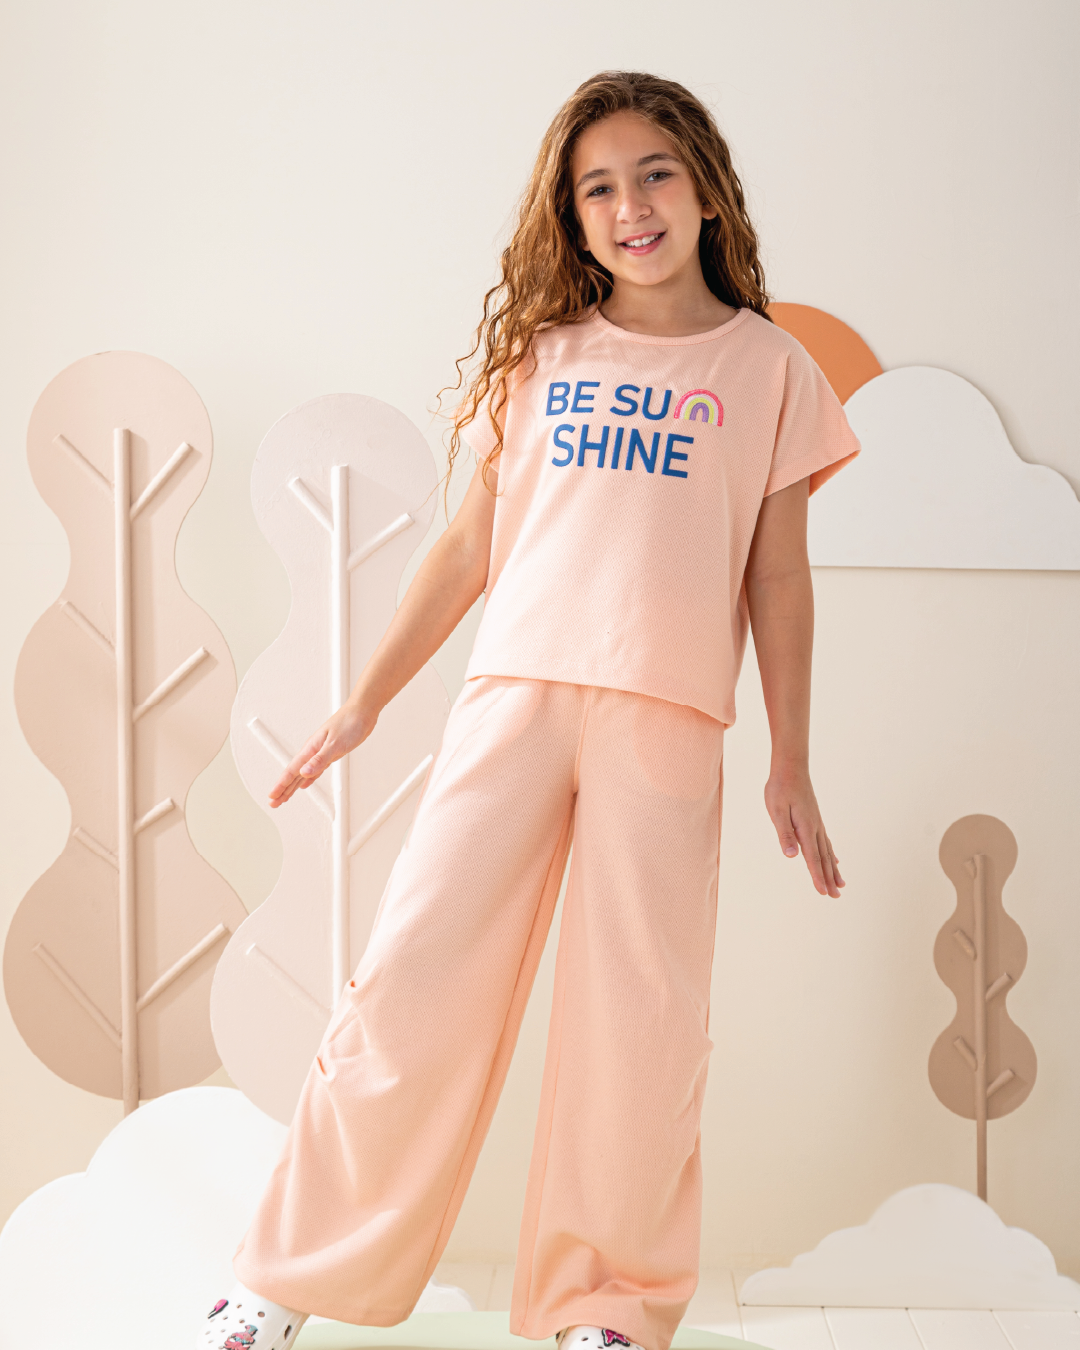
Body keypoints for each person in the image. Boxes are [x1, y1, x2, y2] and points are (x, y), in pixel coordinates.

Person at [198, 69, 858, 1350]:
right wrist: (365, 701)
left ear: (708, 189)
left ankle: (604, 1309)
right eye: (597, 188)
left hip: (669, 716)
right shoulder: (543, 356)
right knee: (410, 984)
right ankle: (286, 1277)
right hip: (515, 700)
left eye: (654, 174)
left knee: (641, 1021)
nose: (631, 207)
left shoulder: (773, 368)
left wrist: (793, 757)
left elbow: (779, 575)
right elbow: (467, 548)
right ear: (573, 217)